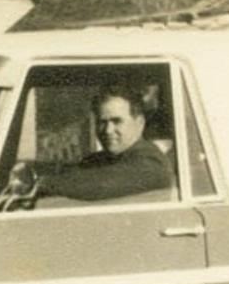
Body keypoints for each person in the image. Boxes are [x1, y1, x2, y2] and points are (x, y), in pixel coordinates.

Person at [20, 86, 172, 201]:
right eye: (102, 122)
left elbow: (101, 183)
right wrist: (30, 168)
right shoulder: (102, 159)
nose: (107, 130)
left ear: (139, 123)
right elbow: (70, 170)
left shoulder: (151, 163)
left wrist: (38, 184)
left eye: (116, 121)